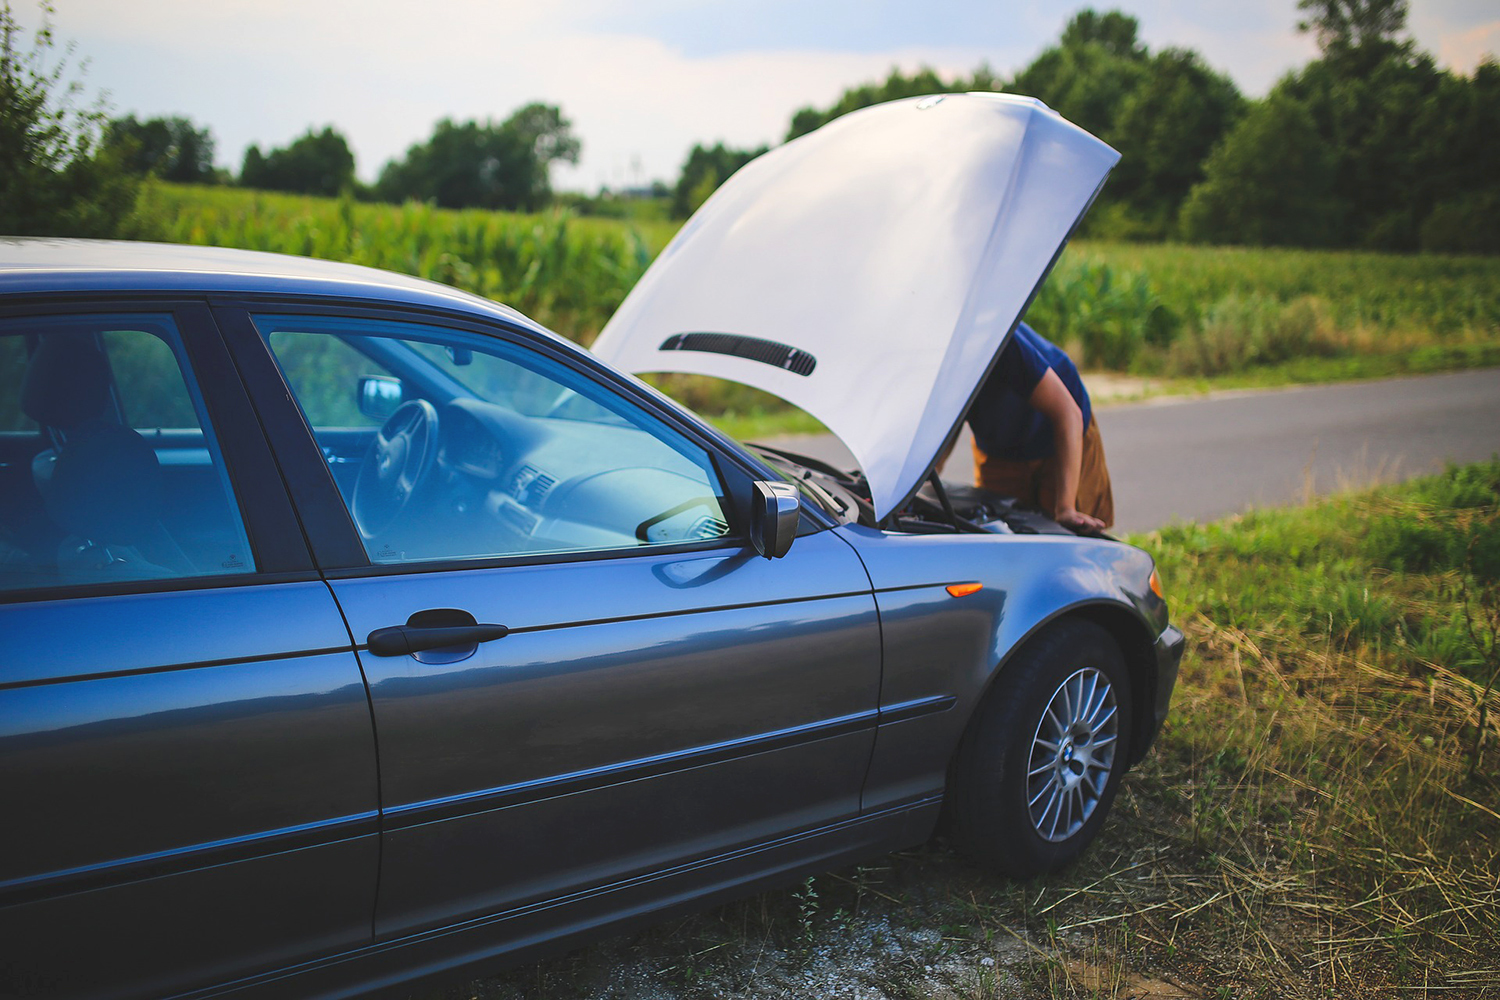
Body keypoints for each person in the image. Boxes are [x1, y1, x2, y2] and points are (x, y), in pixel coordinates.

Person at [958, 322, 1114, 532]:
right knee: (1001, 534)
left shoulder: (996, 339)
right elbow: (945, 420)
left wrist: (1066, 507)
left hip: (1063, 433)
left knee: (1070, 534)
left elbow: (1068, 414)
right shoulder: (927, 358)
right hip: (999, 445)